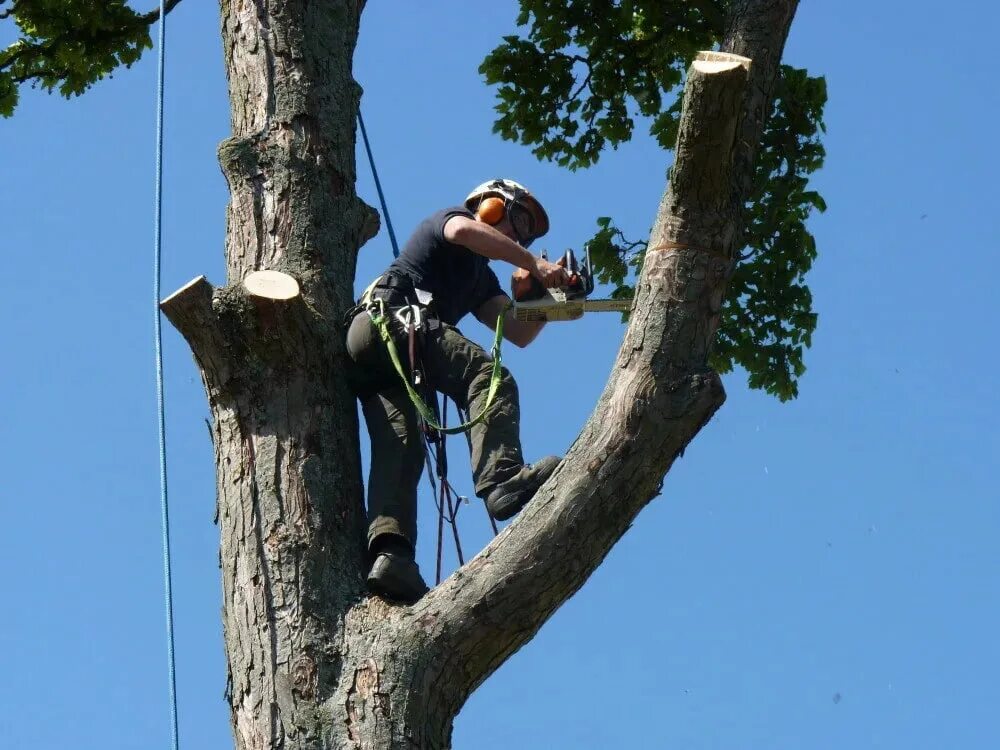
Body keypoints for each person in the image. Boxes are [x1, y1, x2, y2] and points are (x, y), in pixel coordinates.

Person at [345, 178, 567, 604]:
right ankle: (501, 477)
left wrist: (545, 294)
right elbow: (467, 233)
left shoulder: (480, 280)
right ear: (489, 204)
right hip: (392, 320)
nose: (519, 234)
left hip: (381, 356)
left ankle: (391, 555)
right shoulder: (451, 221)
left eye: (527, 233)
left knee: (403, 448)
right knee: (490, 376)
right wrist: (536, 265)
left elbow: (518, 331)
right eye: (517, 218)